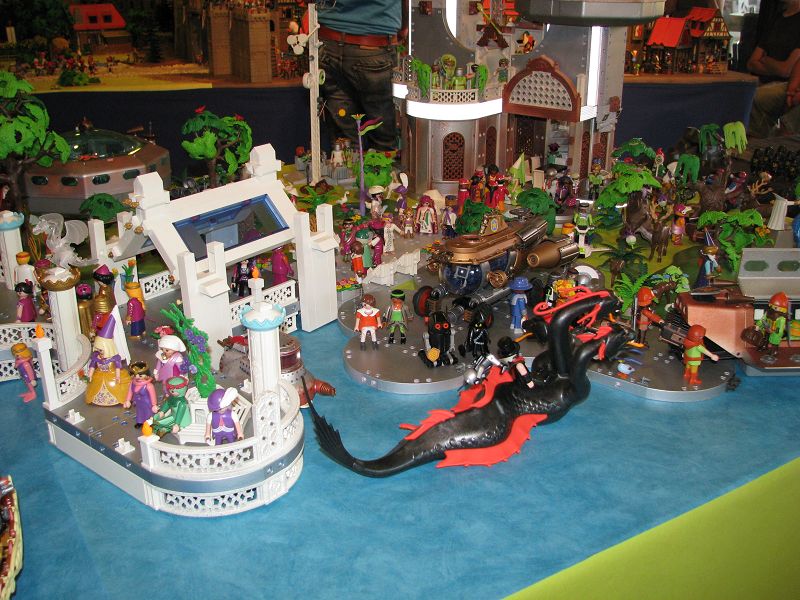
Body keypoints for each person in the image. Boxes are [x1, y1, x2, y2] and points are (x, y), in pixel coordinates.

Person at [317, 0, 408, 152]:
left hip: (328, 40)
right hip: (373, 43)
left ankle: (350, 163)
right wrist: (404, 24)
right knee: (382, 143)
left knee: (345, 144)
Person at [746, 0, 800, 137]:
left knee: (757, 96)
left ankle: (770, 142)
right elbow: (751, 63)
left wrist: (766, 60)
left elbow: (785, 70)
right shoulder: (777, 18)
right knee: (747, 95)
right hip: (782, 83)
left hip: (782, 82)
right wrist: (791, 90)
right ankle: (753, 142)